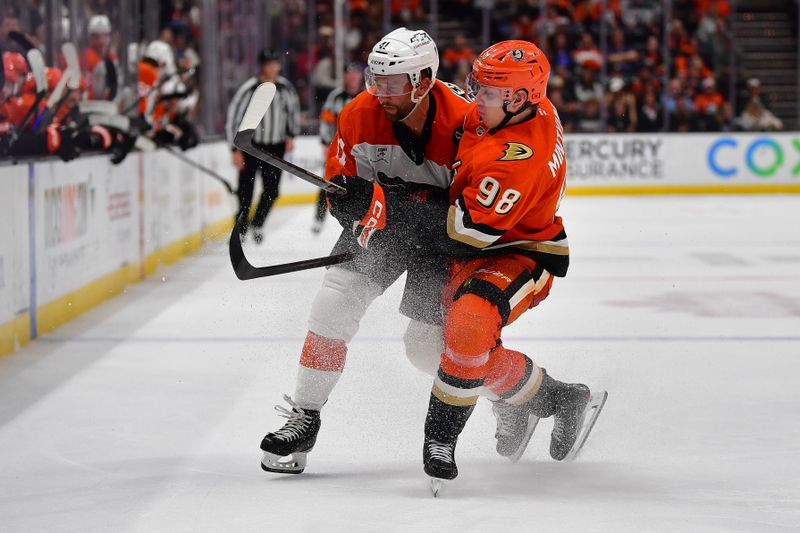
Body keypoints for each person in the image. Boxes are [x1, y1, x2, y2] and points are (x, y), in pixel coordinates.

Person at [377, 40, 601, 483]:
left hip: (516, 250)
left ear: (518, 98)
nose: (474, 97)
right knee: (424, 349)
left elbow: (467, 232)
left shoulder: (518, 159)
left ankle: (441, 439)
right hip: (462, 244)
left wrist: (394, 208)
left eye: (484, 91)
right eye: (475, 85)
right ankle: (551, 398)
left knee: (470, 327)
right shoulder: (516, 105)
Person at [258, 28, 472, 474]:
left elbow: (471, 215)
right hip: (385, 228)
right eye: (375, 79)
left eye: (392, 82)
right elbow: (342, 190)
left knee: (426, 349)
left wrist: (396, 210)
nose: (380, 91)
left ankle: (517, 396)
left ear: (425, 79)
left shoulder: (467, 122)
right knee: (333, 303)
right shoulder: (358, 114)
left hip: (442, 241)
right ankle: (306, 415)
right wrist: (349, 205)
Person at [225, 49, 300, 243]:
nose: (273, 67)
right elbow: (234, 117)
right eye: (269, 64)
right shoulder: (250, 89)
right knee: (245, 191)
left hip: (276, 146)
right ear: (262, 66)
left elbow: (293, 112)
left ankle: (258, 223)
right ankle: (240, 229)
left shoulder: (285, 88)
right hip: (251, 146)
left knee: (272, 190)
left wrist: (292, 134)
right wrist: (234, 148)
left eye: (275, 63)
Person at [312, 63, 364, 234]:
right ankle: (319, 218)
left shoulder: (367, 95)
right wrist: (326, 143)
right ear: (344, 77)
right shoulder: (335, 97)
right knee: (326, 184)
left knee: (361, 186)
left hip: (362, 152)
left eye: (355, 74)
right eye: (349, 74)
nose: (352, 77)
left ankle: (359, 223)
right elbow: (326, 120)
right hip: (338, 150)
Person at [79, 15, 119, 101]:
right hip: (89, 105)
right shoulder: (84, 58)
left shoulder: (112, 59)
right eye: (96, 37)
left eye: (104, 36)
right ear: (90, 38)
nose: (101, 41)